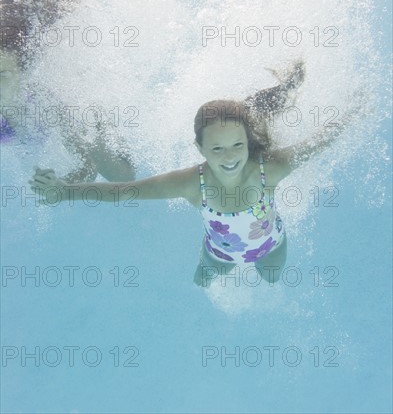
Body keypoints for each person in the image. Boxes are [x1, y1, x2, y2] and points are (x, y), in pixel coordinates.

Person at [29, 59, 358, 289]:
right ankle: (214, 274)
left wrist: (355, 110)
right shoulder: (191, 183)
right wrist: (63, 190)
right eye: (217, 149)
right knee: (202, 281)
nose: (229, 158)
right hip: (217, 253)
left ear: (248, 142)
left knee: (272, 280)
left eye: (236, 146)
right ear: (200, 149)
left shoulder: (269, 170)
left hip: (271, 247)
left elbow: (321, 141)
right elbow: (125, 191)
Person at [0, 0, 136, 182]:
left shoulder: (44, 103)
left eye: (2, 74)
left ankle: (100, 121)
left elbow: (115, 174)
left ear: (22, 73)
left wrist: (64, 186)